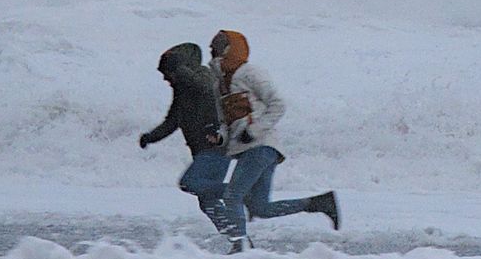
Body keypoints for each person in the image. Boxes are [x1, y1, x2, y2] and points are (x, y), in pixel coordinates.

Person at [204, 27, 339, 247]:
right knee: (260, 208)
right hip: (250, 149)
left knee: (232, 197)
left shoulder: (250, 73)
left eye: (217, 47)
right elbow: (224, 121)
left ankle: (240, 247)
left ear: (231, 50)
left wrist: (253, 131)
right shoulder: (219, 83)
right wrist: (219, 137)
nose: (213, 51)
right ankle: (318, 203)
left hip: (261, 146)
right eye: (212, 48)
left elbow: (278, 105)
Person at [135, 41, 237, 241]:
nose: (165, 78)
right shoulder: (182, 90)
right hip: (203, 150)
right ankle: (239, 240)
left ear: (179, 69)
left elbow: (209, 93)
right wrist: (151, 137)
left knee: (189, 183)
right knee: (207, 202)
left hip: (216, 147)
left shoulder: (203, 76)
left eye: (167, 73)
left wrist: (180, 72)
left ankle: (239, 189)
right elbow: (173, 120)